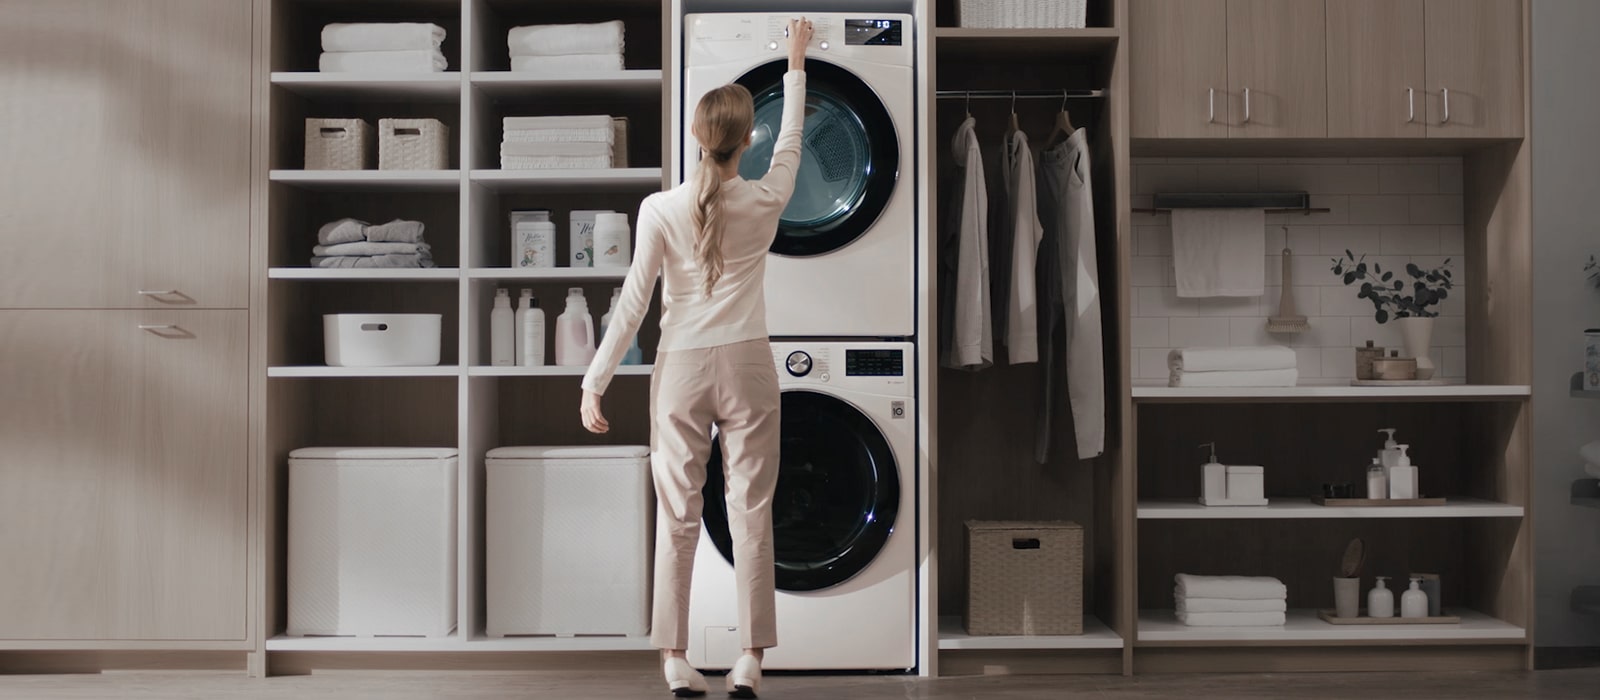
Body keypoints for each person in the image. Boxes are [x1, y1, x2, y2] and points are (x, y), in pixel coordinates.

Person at [579, 16, 814, 699]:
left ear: (695, 138)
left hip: (679, 369)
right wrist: (795, 64)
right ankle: (749, 660)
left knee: (677, 517)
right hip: (748, 367)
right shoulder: (766, 199)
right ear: (746, 142)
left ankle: (675, 660)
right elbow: (794, 142)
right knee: (752, 513)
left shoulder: (658, 210)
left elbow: (631, 306)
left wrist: (595, 384)